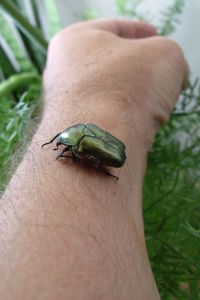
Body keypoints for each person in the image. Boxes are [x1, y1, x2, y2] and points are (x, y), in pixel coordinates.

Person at [0, 19, 188, 300]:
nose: (59, 146)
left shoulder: (77, 144)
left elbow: (79, 153)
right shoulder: (77, 132)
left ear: (68, 140)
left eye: (61, 143)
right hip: (111, 146)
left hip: (112, 155)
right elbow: (67, 140)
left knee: (87, 158)